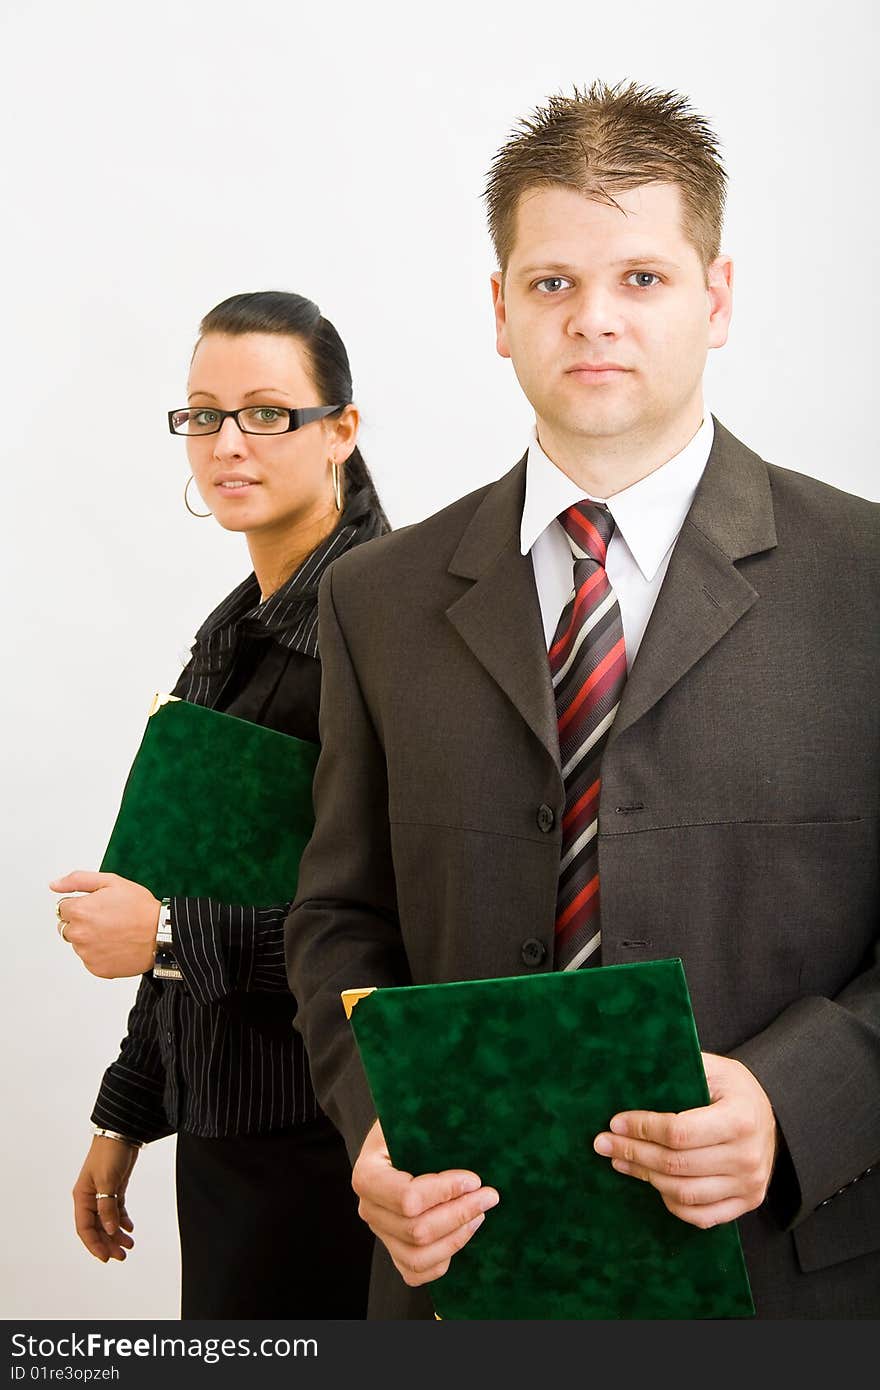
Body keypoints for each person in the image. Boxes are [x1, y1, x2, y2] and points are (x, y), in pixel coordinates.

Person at [284, 82, 880, 1320]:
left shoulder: (868, 579)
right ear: (498, 311)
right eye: (551, 283)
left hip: (790, 1278)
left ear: (716, 300)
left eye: (643, 281)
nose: (593, 320)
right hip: (460, 1283)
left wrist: (791, 1097)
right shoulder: (376, 599)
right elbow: (338, 916)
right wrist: (370, 1119)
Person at [51, 290, 386, 1318]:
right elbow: (196, 873)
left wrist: (158, 929)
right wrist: (127, 1113)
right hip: (227, 1129)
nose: (226, 443)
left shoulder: (382, 632)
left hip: (333, 1138)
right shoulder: (233, 631)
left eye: (266, 412)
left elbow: (399, 929)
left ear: (341, 430)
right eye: (203, 413)